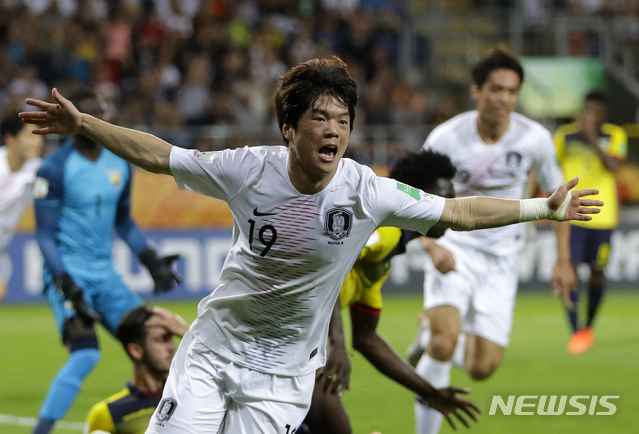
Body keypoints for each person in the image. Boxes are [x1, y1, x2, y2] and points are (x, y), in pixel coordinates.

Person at [20, 56, 601, 434]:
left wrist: (541, 207)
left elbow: (458, 210)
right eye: (320, 118)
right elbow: (158, 154)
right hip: (214, 350)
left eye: (343, 121)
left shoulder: (368, 191)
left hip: (285, 376)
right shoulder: (246, 168)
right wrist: (86, 125)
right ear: (289, 129)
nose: (333, 130)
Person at [412, 46, 579, 434]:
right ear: (477, 91)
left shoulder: (535, 138)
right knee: (444, 344)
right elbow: (411, 195)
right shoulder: (447, 137)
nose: (504, 99)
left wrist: (563, 259)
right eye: (496, 89)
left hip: (503, 259)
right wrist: (431, 244)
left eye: (511, 91)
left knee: (481, 367)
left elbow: (559, 200)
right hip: (454, 247)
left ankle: (428, 335)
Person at [28, 90, 182, 434]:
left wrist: (149, 257)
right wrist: (64, 281)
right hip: (69, 272)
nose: (100, 118)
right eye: (92, 113)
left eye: (103, 112)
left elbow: (123, 221)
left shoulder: (119, 164)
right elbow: (45, 234)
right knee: (85, 354)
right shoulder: (54, 168)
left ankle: (176, 421)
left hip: (106, 275)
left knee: (154, 345)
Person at [301, 149, 458, 434]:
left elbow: (366, 338)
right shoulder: (387, 231)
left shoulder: (380, 262)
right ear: (419, 196)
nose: (452, 205)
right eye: (444, 197)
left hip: (292, 343)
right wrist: (336, 343)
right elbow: (328, 262)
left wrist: (429, 391)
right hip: (272, 338)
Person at [554, 91, 627, 354]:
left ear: (603, 114)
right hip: (572, 215)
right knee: (569, 270)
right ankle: (575, 332)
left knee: (598, 275)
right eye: (586, 109)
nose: (588, 115)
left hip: (604, 218)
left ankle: (588, 328)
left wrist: (591, 136)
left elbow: (614, 167)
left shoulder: (615, 135)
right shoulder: (564, 135)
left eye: (594, 111)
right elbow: (551, 169)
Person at [85, 306, 189, 434]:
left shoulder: (189, 396)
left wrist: (188, 333)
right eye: (161, 340)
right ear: (136, 351)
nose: (172, 347)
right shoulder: (107, 413)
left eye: (171, 338)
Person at [0, 115, 43, 302]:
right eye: (30, 136)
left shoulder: (37, 170)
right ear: (11, 139)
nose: (38, 141)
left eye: (39, 135)